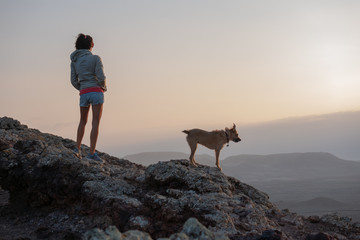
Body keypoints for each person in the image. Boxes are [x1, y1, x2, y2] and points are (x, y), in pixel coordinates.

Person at [70, 33, 107, 162]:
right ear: (91, 45)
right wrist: (103, 87)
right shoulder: (96, 58)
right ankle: (91, 153)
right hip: (96, 91)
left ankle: (77, 149)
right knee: (95, 122)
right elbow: (101, 77)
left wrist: (82, 88)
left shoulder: (74, 61)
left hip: (84, 92)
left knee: (82, 121)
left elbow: (73, 80)